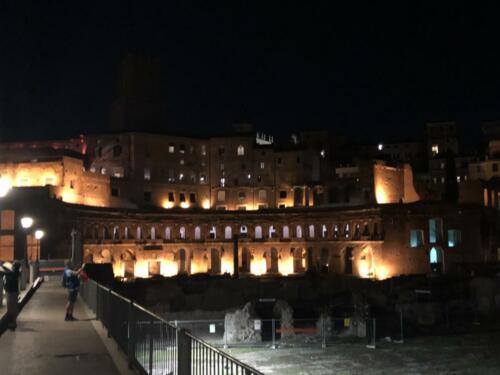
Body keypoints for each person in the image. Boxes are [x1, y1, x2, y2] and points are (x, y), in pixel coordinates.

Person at [0, 261, 21, 330]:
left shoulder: (13, 273)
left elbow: (5, 272)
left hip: (11, 293)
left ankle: (12, 323)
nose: (12, 266)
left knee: (11, 308)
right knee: (12, 308)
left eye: (14, 265)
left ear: (16, 267)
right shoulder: (14, 273)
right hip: (12, 292)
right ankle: (12, 322)